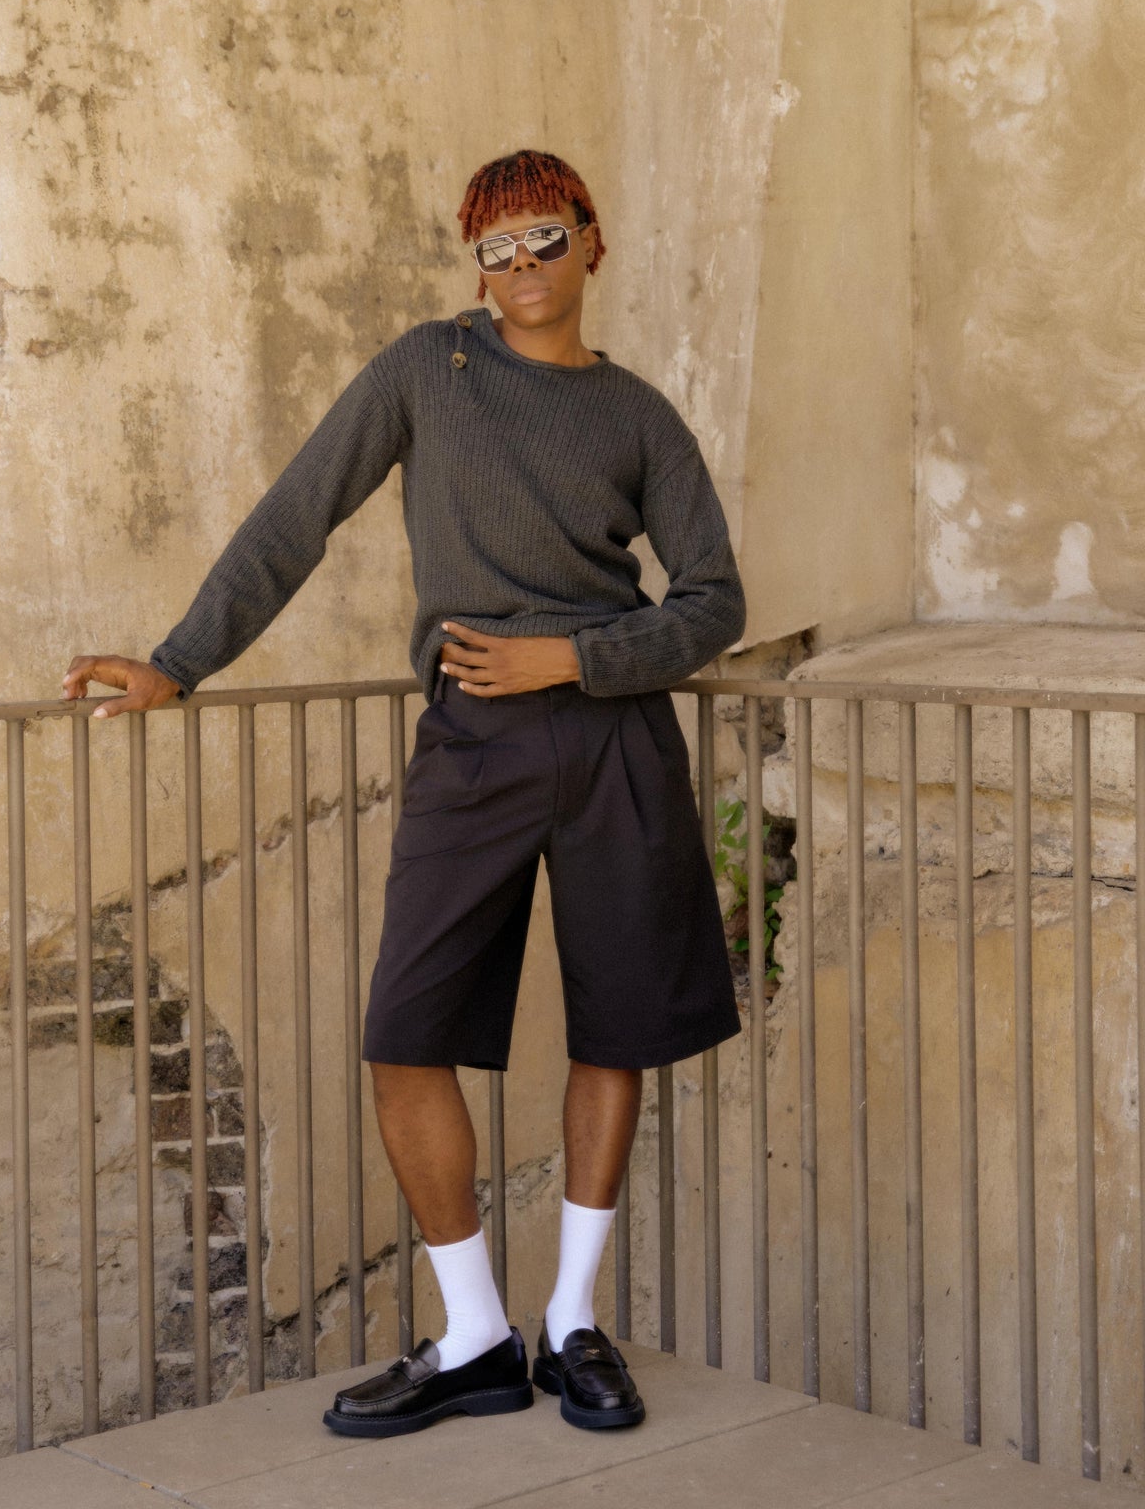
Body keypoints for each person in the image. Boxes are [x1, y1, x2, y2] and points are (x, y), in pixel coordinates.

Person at [62, 148, 745, 1438]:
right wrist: (176, 663)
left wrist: (580, 655)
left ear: (592, 243)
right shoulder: (426, 372)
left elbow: (716, 599)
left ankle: (573, 1322)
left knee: (614, 1027)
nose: (519, 269)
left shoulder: (643, 416)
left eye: (542, 239)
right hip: (471, 747)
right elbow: (295, 516)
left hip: (614, 745)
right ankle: (476, 1332)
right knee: (405, 1030)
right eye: (493, 248)